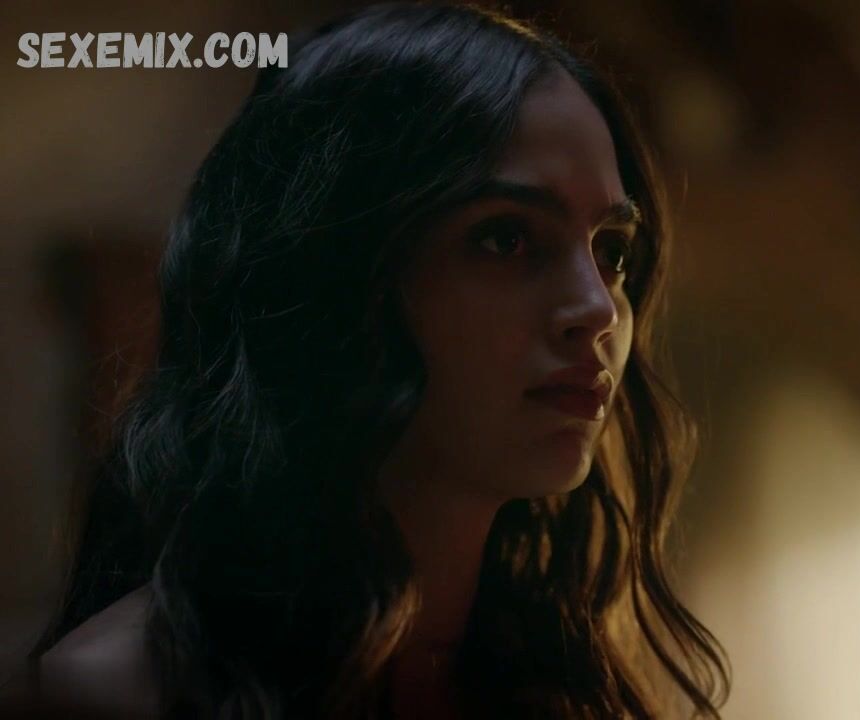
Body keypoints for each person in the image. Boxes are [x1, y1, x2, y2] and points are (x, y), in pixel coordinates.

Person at [22, 3, 729, 717]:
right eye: (506, 239)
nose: (599, 309)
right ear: (336, 273)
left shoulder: (567, 690)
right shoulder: (120, 693)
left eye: (612, 252)